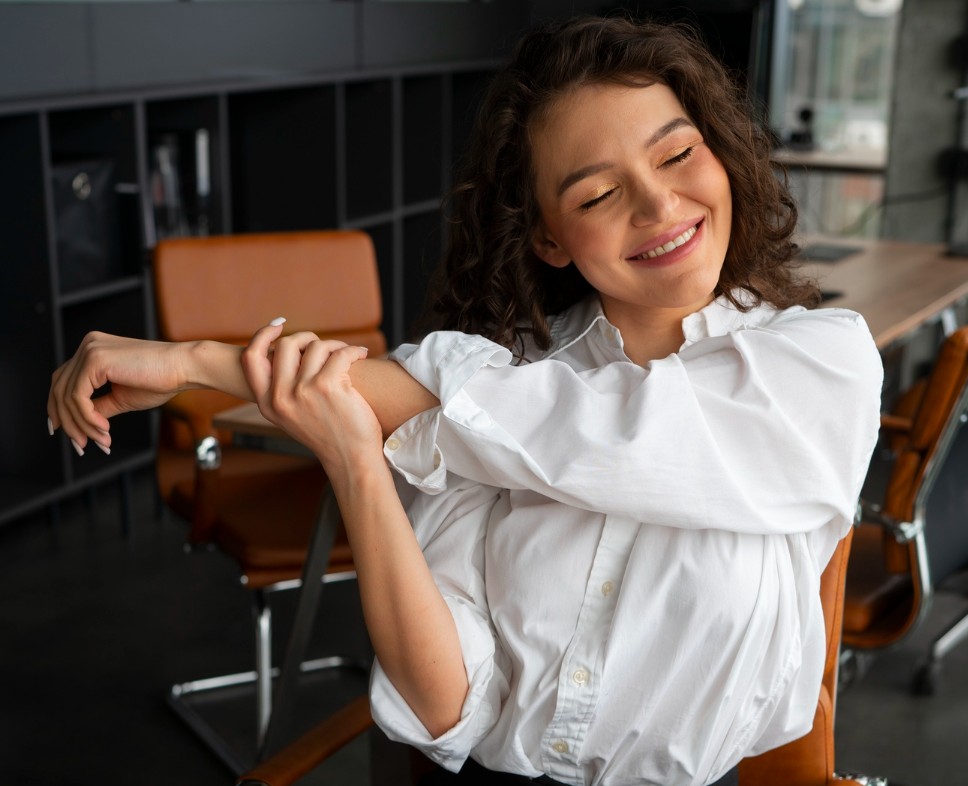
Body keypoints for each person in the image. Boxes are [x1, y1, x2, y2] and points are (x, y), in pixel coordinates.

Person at [46, 15, 883, 786]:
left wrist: (197, 359)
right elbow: (450, 705)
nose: (660, 204)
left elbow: (595, 432)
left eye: (676, 155)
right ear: (549, 235)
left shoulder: (819, 364)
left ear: (720, 151)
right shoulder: (492, 386)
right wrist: (355, 464)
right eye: (597, 194)